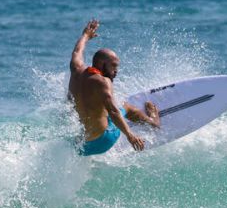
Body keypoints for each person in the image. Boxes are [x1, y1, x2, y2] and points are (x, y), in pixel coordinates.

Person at [68, 19, 160, 155]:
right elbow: (114, 111)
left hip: (82, 148)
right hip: (103, 141)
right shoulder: (103, 82)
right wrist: (130, 135)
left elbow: (77, 52)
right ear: (101, 64)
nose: (116, 71)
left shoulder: (76, 69)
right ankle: (154, 122)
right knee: (124, 107)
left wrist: (86, 35)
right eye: (113, 66)